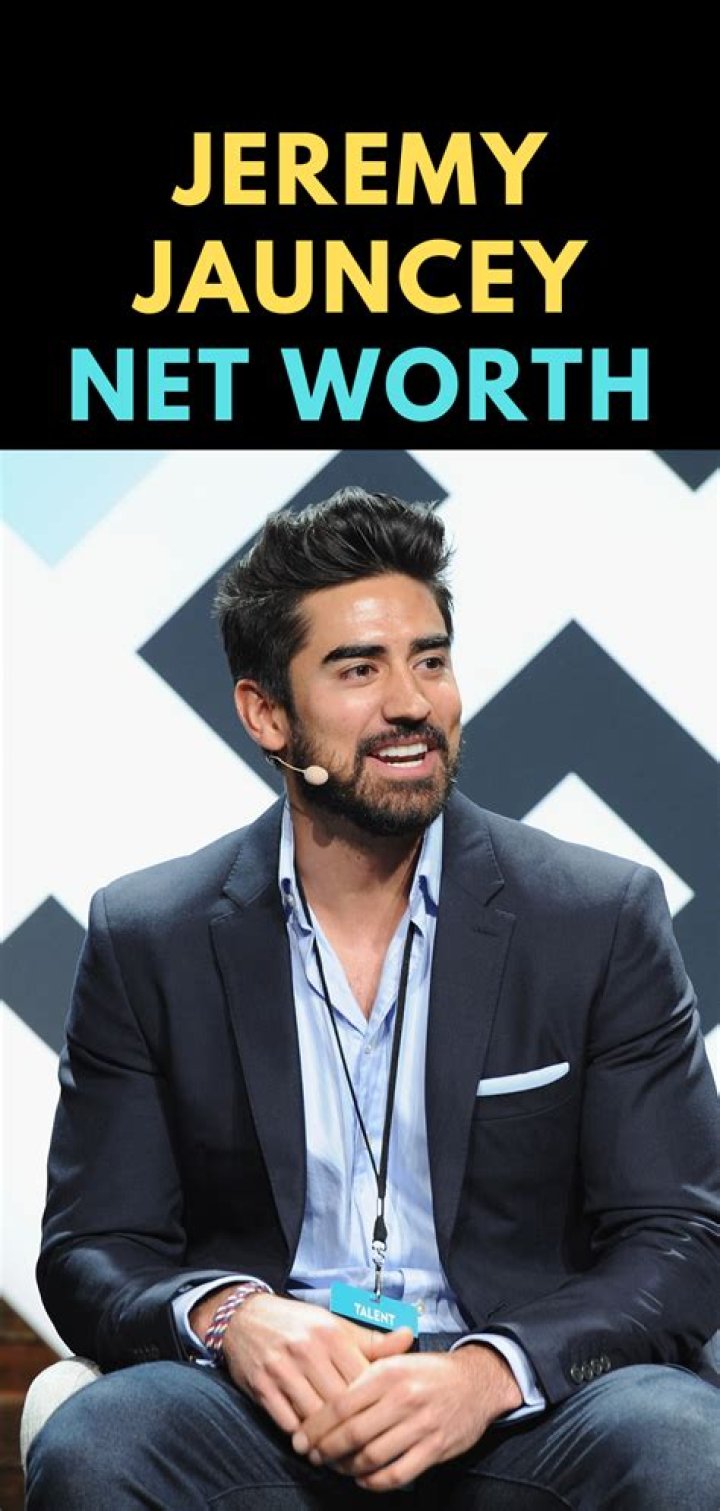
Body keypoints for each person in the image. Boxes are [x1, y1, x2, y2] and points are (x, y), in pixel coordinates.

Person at [27, 489, 719, 1508]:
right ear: (266, 712)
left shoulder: (596, 915)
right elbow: (93, 1246)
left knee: (680, 1442)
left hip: (523, 1410)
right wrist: (230, 1316)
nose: (411, 702)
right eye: (359, 669)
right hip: (268, 1411)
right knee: (103, 1440)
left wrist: (487, 1372)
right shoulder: (150, 935)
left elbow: (680, 1236)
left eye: (429, 660)